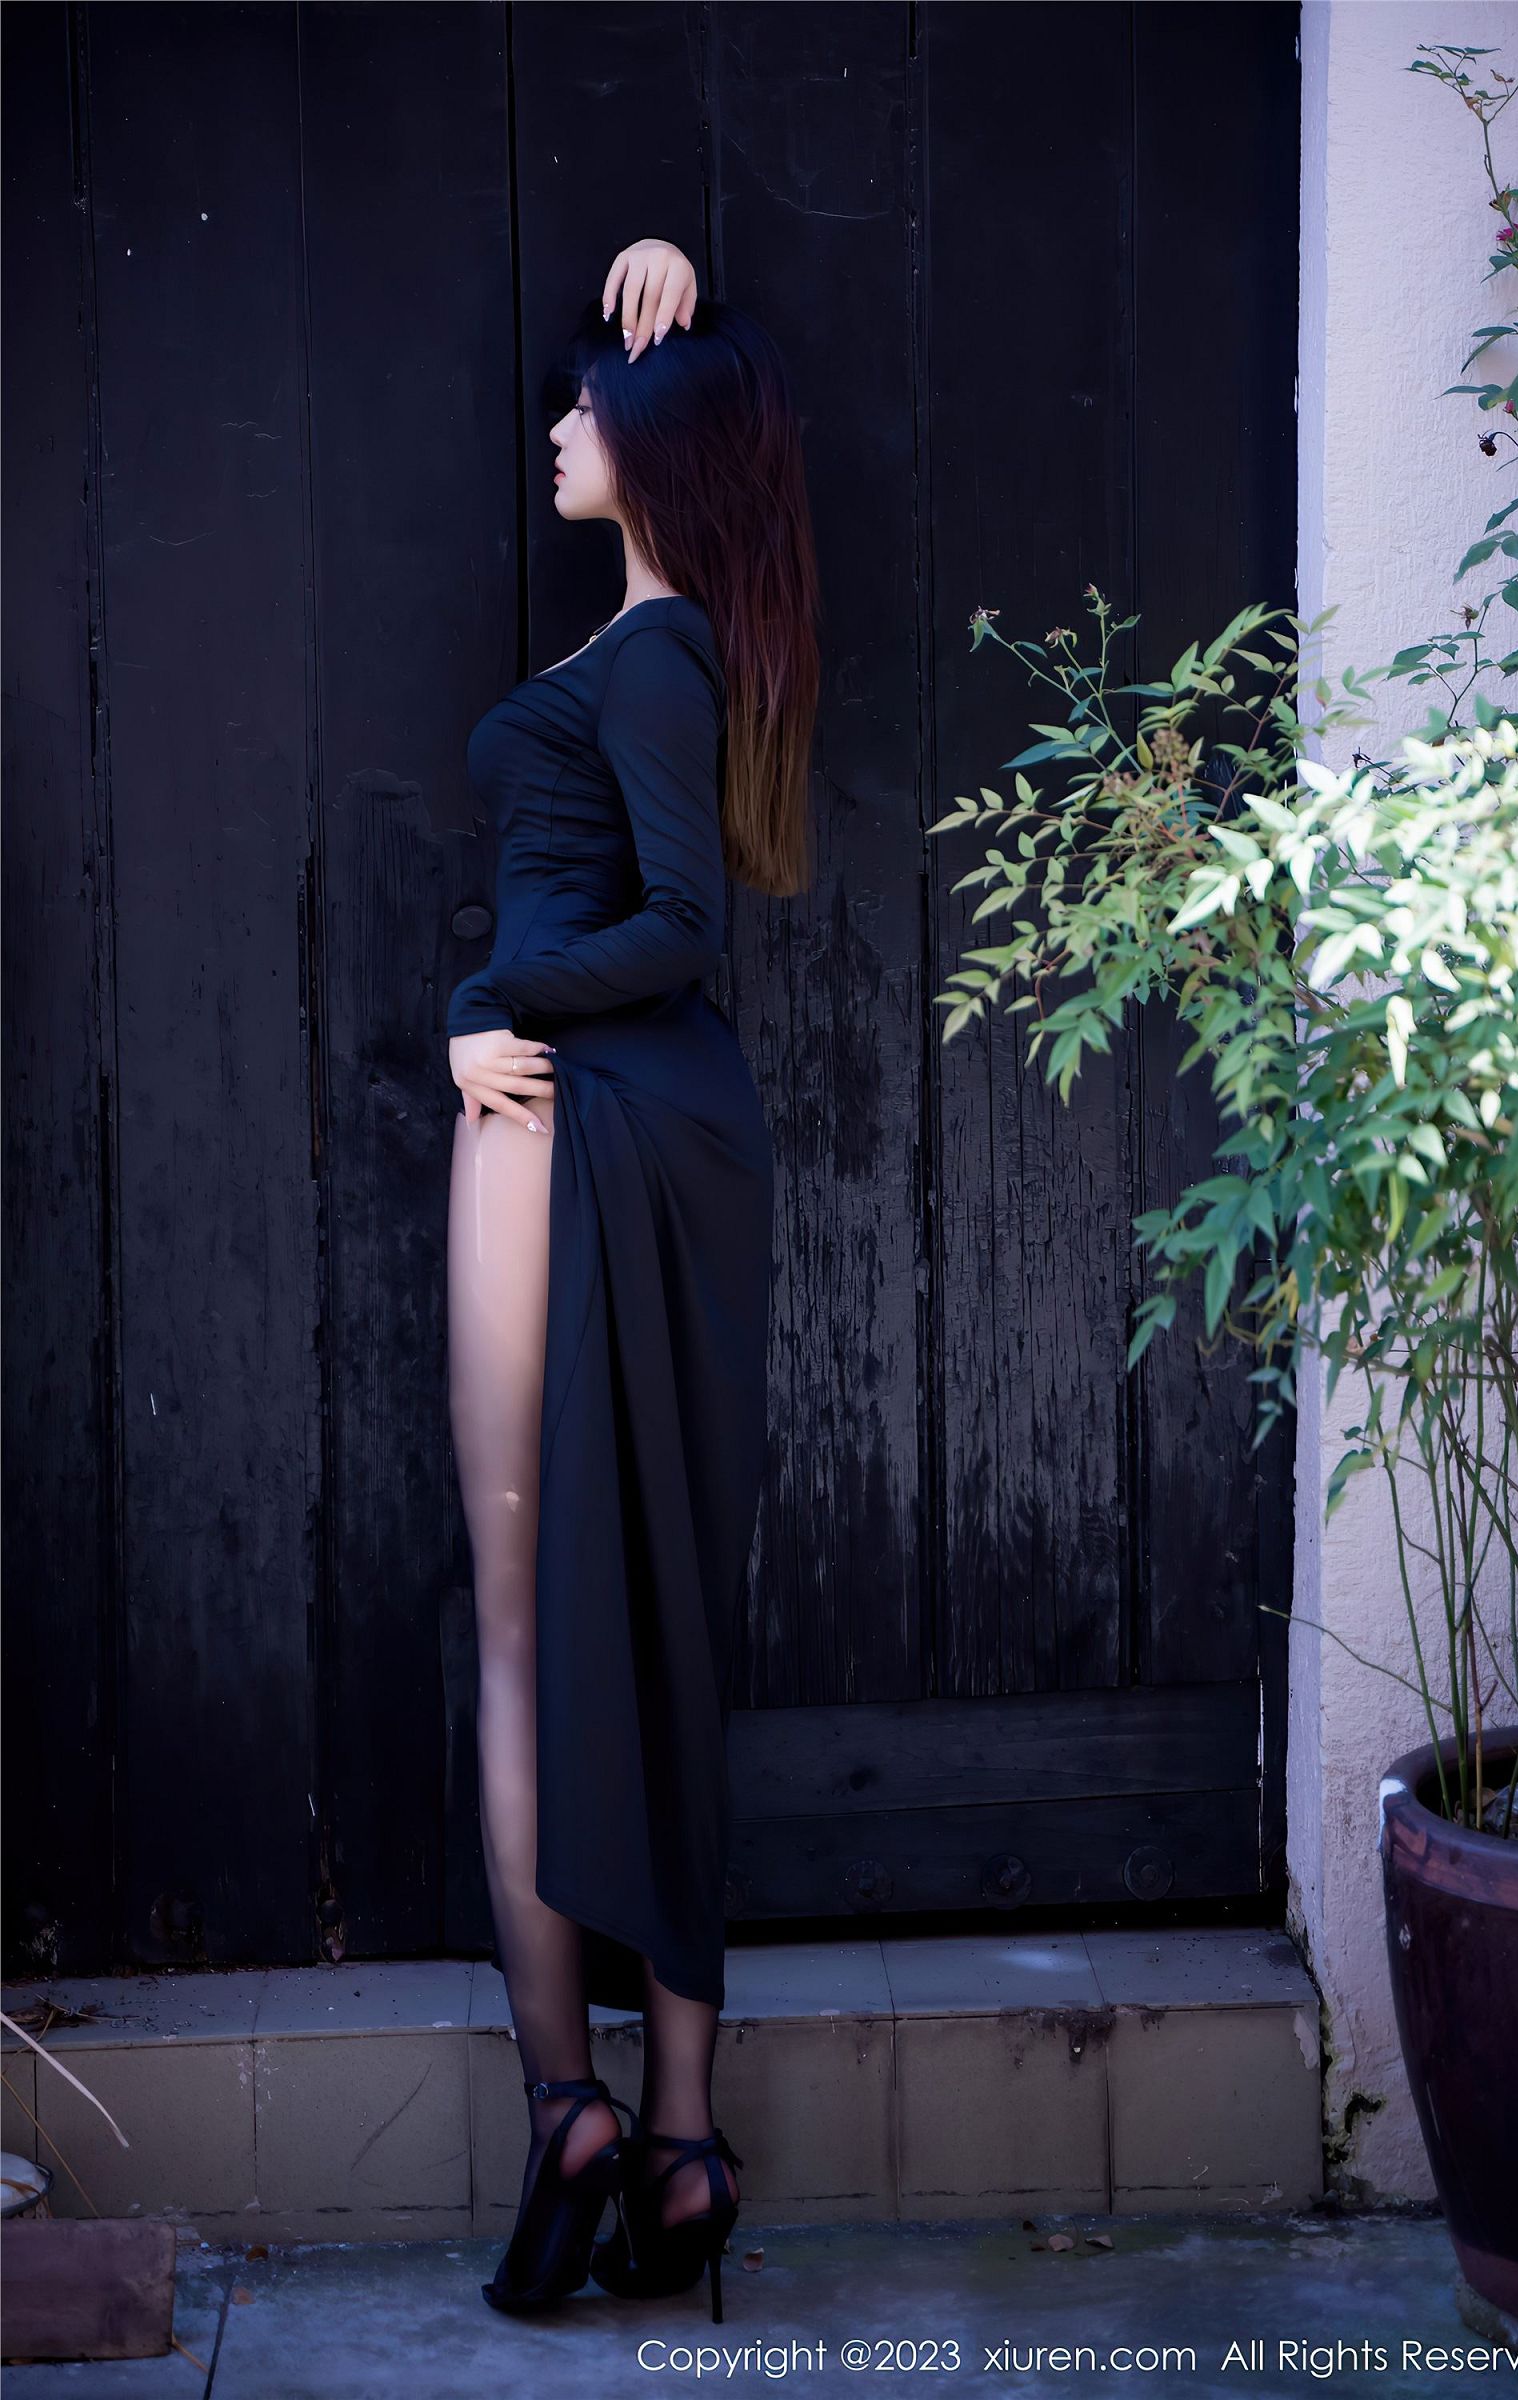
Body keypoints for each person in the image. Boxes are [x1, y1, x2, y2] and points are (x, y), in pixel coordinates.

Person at [444, 237, 820, 2325]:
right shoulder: (659, 646)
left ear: (654, 452)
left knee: (532, 1627)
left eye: (586, 404)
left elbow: (682, 921)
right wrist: (676, 265)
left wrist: (481, 1007)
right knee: (650, 1618)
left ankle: (573, 2111)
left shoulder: (658, 657)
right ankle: (672, 2140)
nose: (557, 423)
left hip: (571, 1114)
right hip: (621, 1118)